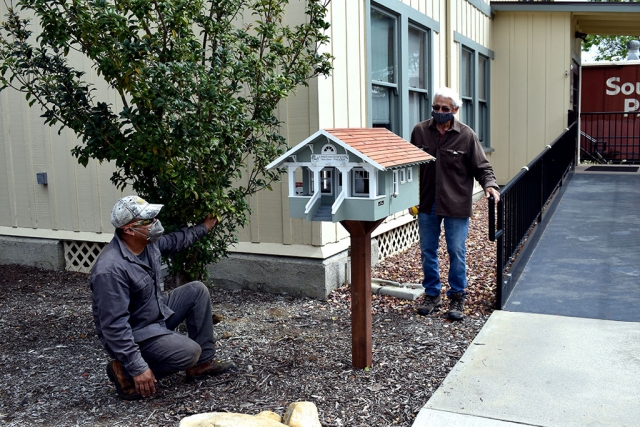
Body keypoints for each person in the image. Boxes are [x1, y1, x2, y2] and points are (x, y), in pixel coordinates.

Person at [90, 195, 235, 400]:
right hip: (137, 332)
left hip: (155, 314)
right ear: (129, 229)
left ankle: (201, 365)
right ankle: (126, 374)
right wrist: (137, 367)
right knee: (189, 352)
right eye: (148, 220)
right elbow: (114, 327)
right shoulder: (110, 270)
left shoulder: (148, 244)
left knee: (196, 290)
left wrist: (205, 226)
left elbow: (177, 240)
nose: (155, 223)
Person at [410, 87, 500, 321]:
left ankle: (457, 295)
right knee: (427, 250)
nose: (439, 112)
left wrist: (490, 186)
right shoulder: (420, 131)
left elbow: (482, 167)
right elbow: (410, 167)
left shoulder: (467, 135)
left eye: (444, 109)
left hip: (455, 203)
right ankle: (432, 294)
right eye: (436, 107)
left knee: (456, 251)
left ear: (455, 110)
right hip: (426, 202)